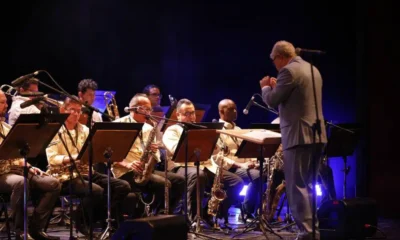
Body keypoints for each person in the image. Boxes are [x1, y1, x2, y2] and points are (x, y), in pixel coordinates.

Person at [260, 40, 327, 240]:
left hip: (298, 136)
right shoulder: (312, 69)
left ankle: (307, 234)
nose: (275, 65)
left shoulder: (288, 71)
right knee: (310, 186)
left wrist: (266, 88)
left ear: (280, 57)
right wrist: (277, 87)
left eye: (274, 61)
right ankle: (313, 231)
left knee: (297, 187)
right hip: (317, 135)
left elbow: (272, 101)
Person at [46, 96, 131, 235]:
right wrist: (74, 158)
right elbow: (52, 159)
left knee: (122, 186)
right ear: (62, 110)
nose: (76, 114)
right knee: (95, 190)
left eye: (79, 111)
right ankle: (80, 220)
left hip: (86, 172)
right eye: (72, 110)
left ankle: (103, 218)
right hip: (65, 175)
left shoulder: (85, 130)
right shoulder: (54, 130)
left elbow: (95, 150)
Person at [0, 90, 62, 240]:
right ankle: (20, 231)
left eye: (6, 102)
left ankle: (35, 228)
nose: (6, 105)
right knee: (21, 183)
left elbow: (15, 155)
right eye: (2, 102)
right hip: (1, 174)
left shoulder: (7, 128)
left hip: (15, 170)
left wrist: (28, 166)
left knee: (53, 183)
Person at [112, 93, 184, 215]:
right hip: (125, 172)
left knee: (180, 180)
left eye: (150, 109)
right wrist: (129, 164)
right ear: (138, 109)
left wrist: (153, 152)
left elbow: (155, 156)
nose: (150, 112)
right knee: (164, 184)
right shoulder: (118, 125)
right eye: (148, 109)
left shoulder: (148, 128)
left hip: (145, 170)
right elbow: (109, 154)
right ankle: (156, 215)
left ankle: (162, 214)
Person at [210, 99, 258, 221]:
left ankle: (249, 210)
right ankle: (231, 209)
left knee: (262, 173)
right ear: (221, 111)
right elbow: (217, 157)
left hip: (242, 167)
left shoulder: (239, 129)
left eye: (235, 108)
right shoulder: (217, 130)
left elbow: (246, 150)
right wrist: (239, 165)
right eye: (231, 109)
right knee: (256, 176)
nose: (235, 111)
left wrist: (253, 161)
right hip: (229, 168)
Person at [162, 98, 208, 222]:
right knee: (197, 174)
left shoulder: (200, 129)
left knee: (233, 180)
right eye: (186, 114)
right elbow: (176, 151)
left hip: (200, 165)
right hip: (179, 167)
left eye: (192, 113)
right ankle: (191, 218)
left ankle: (208, 213)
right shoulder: (172, 130)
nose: (191, 116)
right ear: (178, 115)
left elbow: (213, 150)